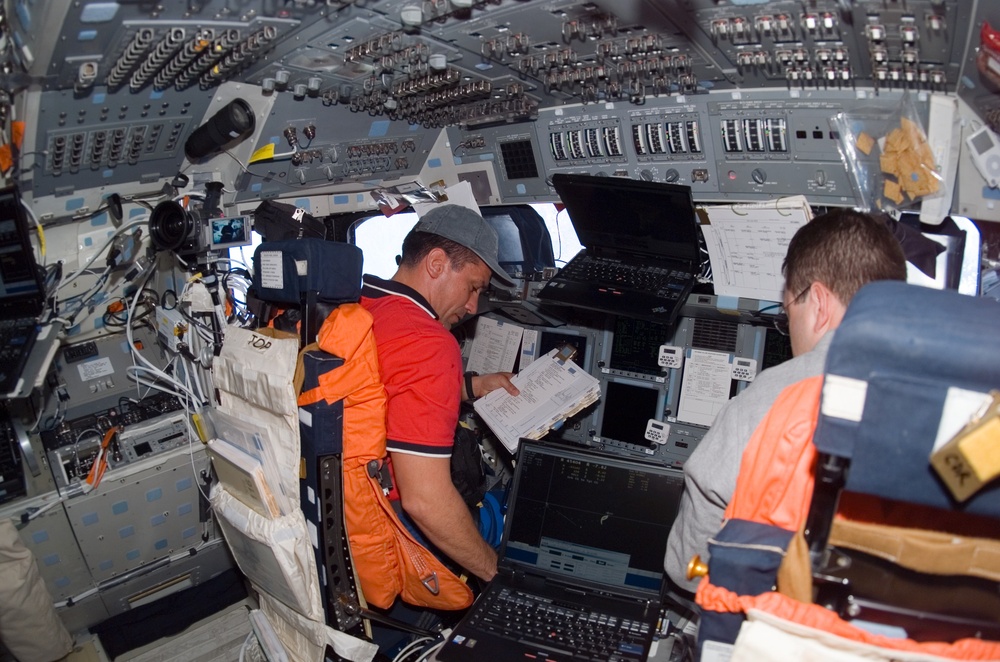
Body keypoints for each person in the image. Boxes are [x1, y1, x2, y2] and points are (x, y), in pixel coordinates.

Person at [664, 208, 908, 593]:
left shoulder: (768, 402)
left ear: (819, 303)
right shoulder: (952, 392)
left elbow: (687, 566)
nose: (789, 327)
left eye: (788, 311)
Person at [360, 204, 519, 582]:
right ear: (436, 264)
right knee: (504, 507)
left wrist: (472, 386)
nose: (472, 306)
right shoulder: (429, 342)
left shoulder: (363, 304)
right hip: (395, 526)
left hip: (355, 510)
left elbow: (383, 387)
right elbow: (425, 501)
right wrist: (494, 575)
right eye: (473, 287)